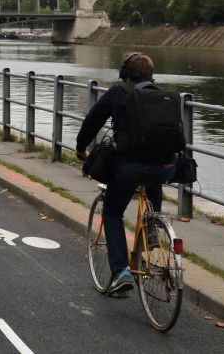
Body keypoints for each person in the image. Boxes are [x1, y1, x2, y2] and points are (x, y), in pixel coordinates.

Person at [76, 52, 177, 297]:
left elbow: (93, 122)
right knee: (152, 181)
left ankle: (121, 272)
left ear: (125, 74)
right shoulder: (163, 96)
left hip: (128, 166)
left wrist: (81, 148)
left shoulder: (117, 93)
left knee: (112, 212)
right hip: (164, 166)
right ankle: (153, 230)